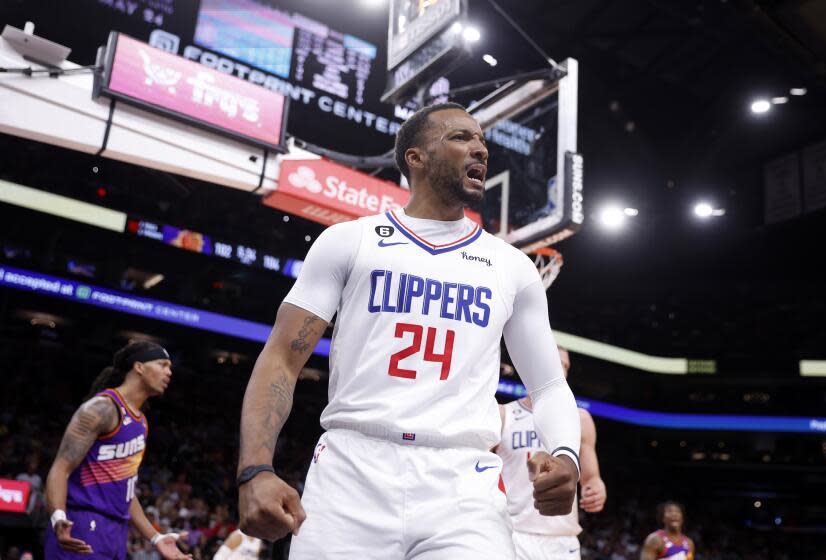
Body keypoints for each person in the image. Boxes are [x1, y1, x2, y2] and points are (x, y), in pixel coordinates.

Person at [237, 102, 582, 559]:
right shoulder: (350, 240)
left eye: (482, 141)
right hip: (351, 472)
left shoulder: (513, 268)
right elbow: (281, 358)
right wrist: (254, 468)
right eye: (461, 137)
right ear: (415, 158)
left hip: (463, 482)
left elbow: (549, 385)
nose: (480, 148)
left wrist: (567, 455)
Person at [44, 341, 191, 560]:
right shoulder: (102, 408)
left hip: (116, 531)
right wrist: (58, 516)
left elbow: (125, 491)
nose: (169, 372)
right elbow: (60, 468)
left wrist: (155, 537)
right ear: (139, 367)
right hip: (83, 522)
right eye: (162, 364)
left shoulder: (141, 422)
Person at [495, 347, 607, 560]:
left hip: (562, 538)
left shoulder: (580, 419)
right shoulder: (503, 415)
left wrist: (597, 489)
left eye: (566, 366)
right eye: (557, 363)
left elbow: (591, 479)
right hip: (512, 532)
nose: (562, 370)